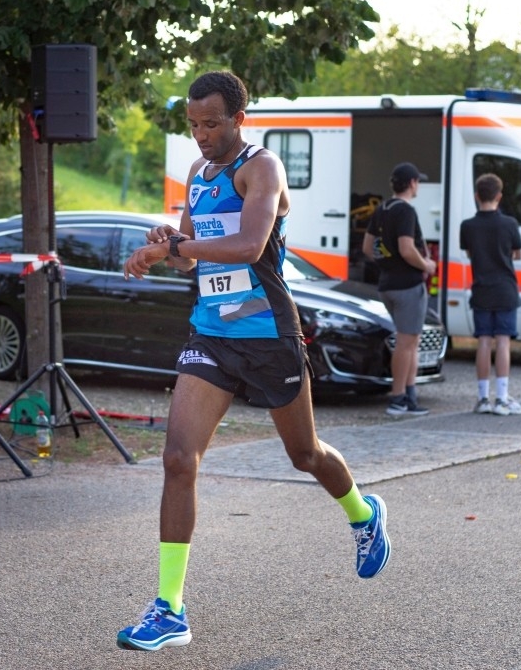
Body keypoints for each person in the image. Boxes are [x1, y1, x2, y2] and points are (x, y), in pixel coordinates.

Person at [117, 70, 391, 652]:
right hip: (212, 334)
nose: (201, 136)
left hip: (268, 334)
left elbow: (248, 245)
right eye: (193, 125)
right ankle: (169, 609)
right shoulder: (198, 174)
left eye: (211, 124)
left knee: (304, 454)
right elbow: (192, 258)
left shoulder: (262, 168)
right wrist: (169, 243)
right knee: (178, 459)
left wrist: (174, 247)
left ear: (239, 118)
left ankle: (363, 513)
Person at [361, 162, 436, 417]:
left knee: (412, 341)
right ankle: (398, 398)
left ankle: (410, 395)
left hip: (387, 284)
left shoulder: (382, 208)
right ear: (412, 183)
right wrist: (426, 265)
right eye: (418, 182)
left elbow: (368, 247)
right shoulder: (406, 211)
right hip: (407, 285)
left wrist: (386, 263)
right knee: (406, 343)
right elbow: (407, 248)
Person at [459, 173, 521, 416]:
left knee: (484, 341)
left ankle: (482, 398)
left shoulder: (467, 226)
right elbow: (517, 254)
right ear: (499, 196)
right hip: (505, 289)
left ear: (477, 196)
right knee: (503, 342)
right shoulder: (509, 224)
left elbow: (470, 253)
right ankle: (502, 398)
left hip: (481, 289)